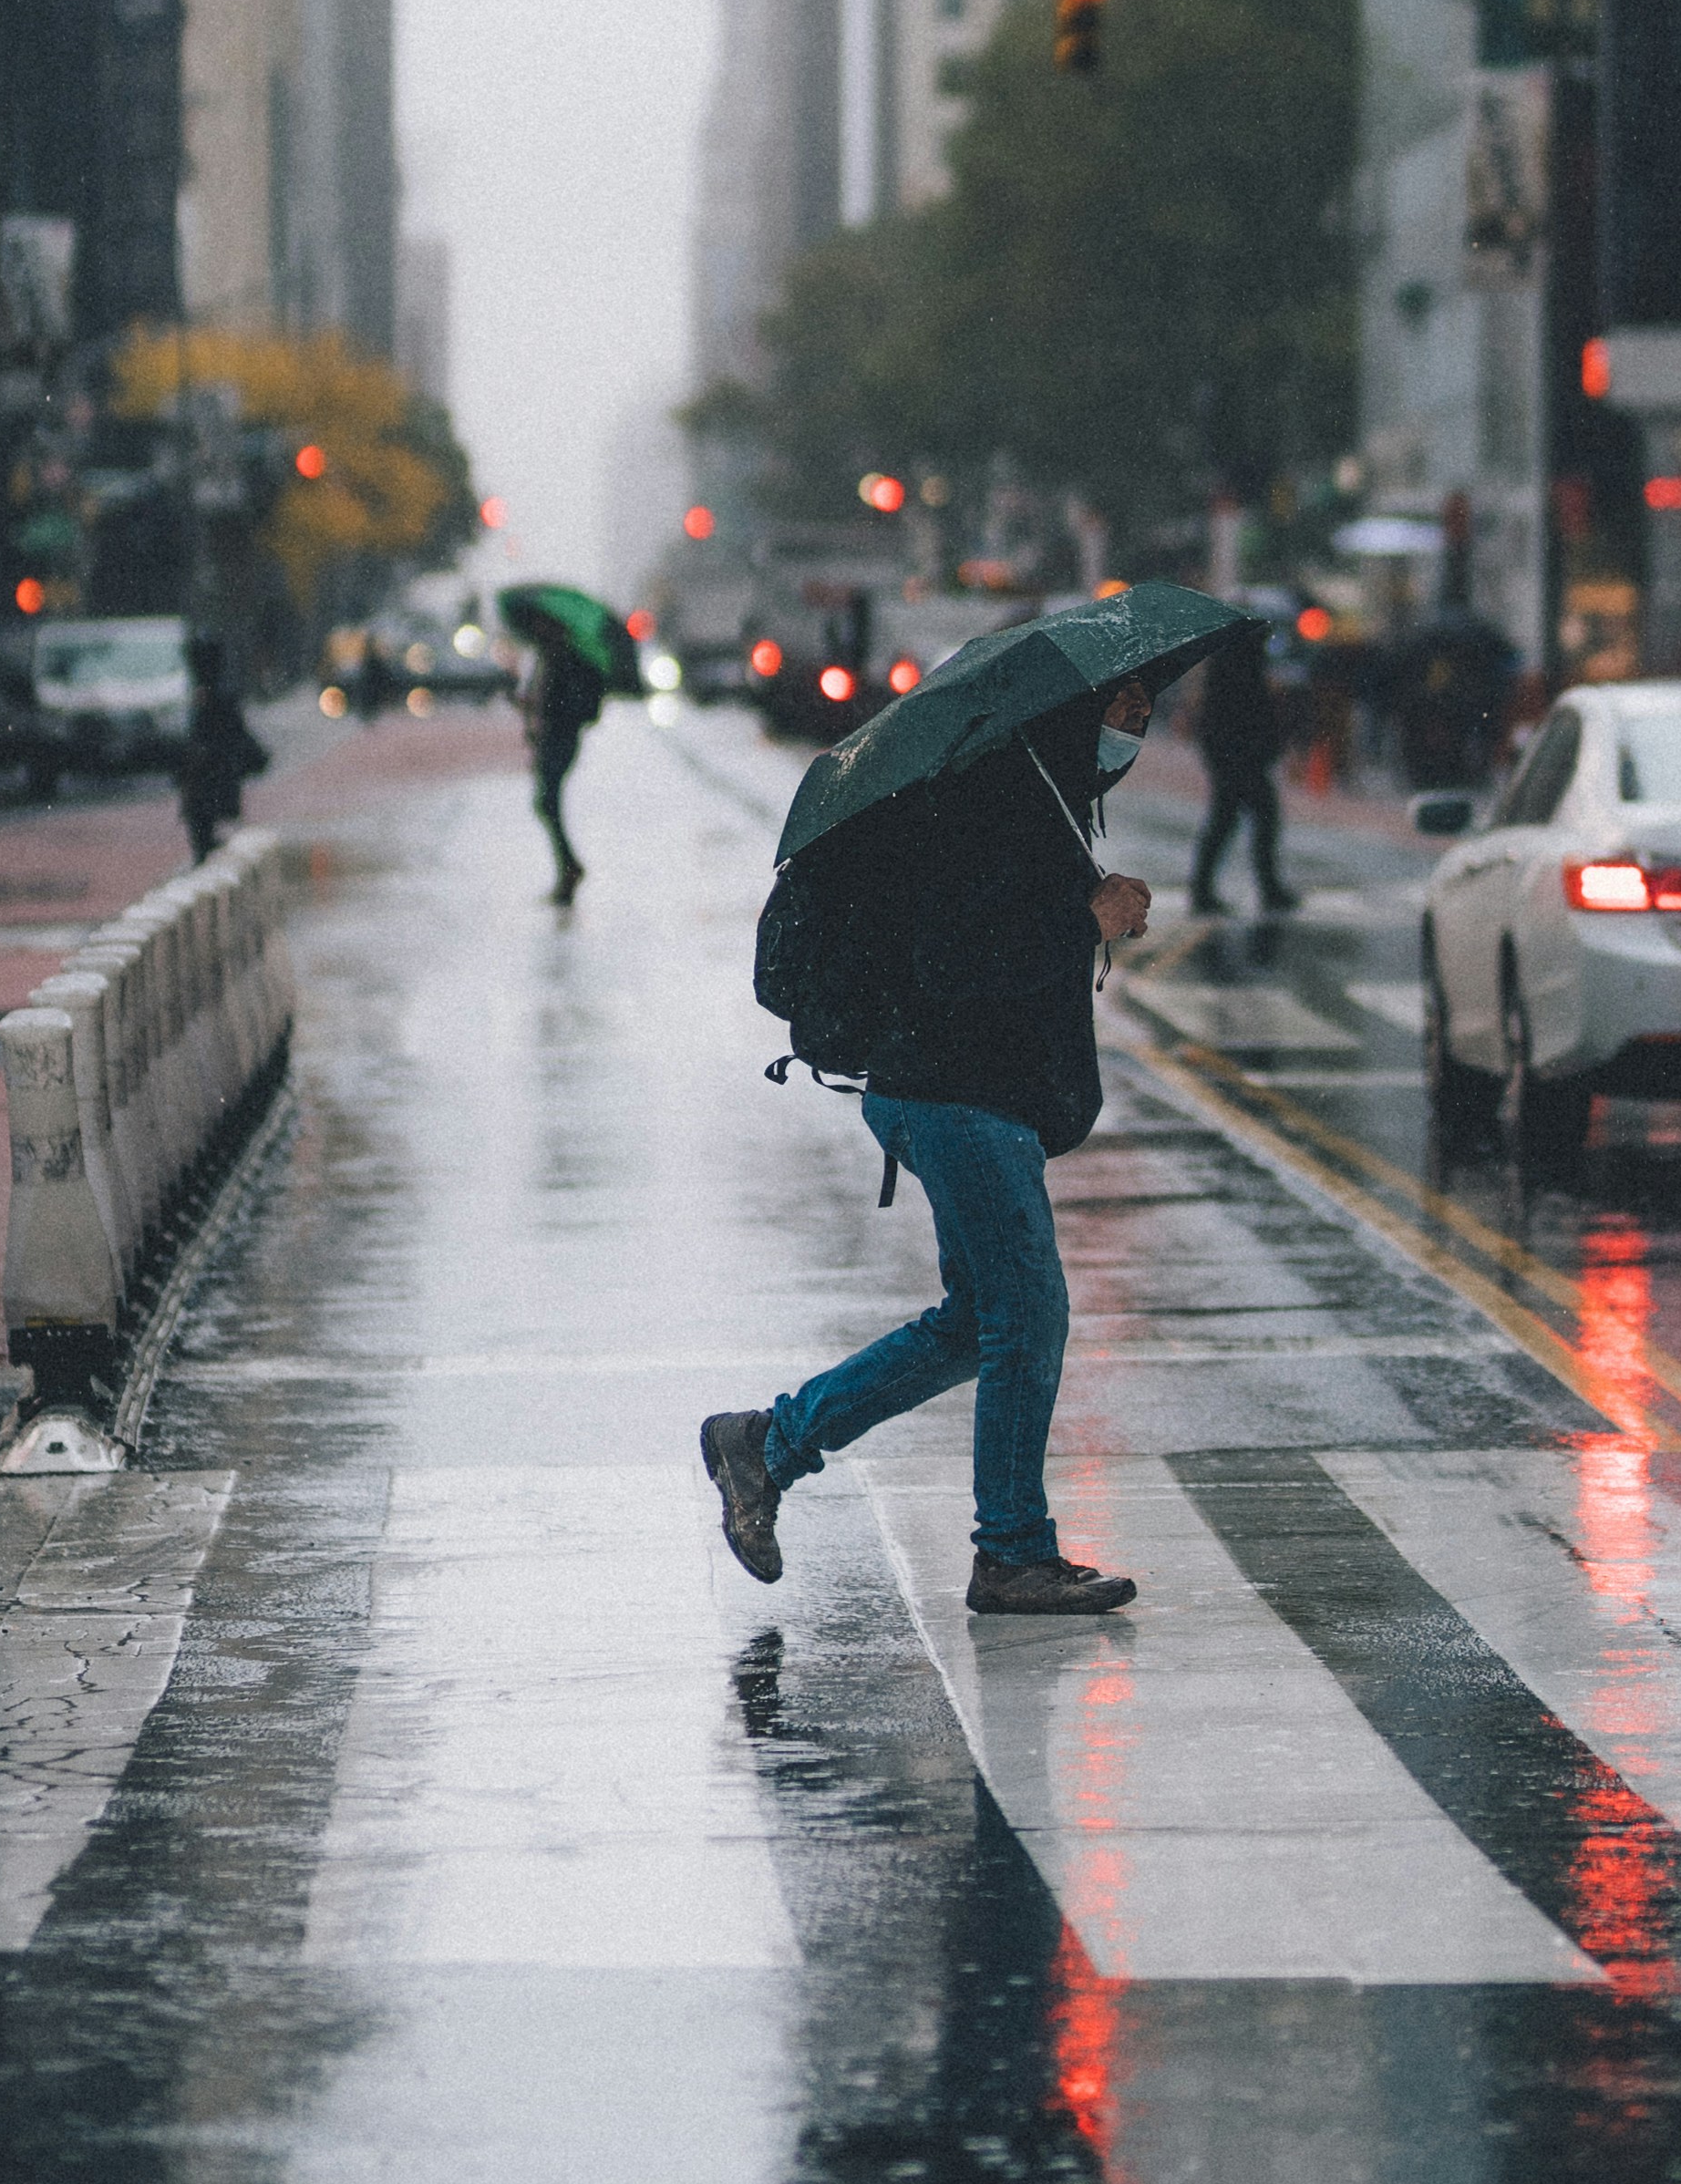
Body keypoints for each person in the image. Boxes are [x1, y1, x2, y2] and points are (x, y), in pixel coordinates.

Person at [701, 671, 1159, 1618]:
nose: (1138, 725)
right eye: (1125, 707)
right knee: (1027, 1315)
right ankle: (1011, 1553)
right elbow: (957, 961)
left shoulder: (1039, 800)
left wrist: (1088, 904)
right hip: (956, 1092)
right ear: (1074, 713)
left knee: (973, 1323)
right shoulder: (990, 806)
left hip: (973, 1092)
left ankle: (765, 1444)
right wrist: (1085, 919)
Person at [1188, 620, 1295, 916]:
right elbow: (1251, 715)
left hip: (1235, 757)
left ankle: (1206, 889)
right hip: (1240, 758)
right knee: (1245, 820)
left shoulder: (1229, 665)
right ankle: (1261, 888)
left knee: (1231, 820)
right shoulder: (1241, 669)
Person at [523, 622, 603, 899]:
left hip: (562, 737)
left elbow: (563, 701)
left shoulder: (565, 659)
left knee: (546, 801)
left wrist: (547, 708)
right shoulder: (549, 657)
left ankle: (568, 869)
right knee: (546, 802)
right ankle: (568, 866)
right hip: (553, 736)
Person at [179, 632, 268, 867]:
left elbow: (227, 730)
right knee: (202, 820)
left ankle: (206, 853)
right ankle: (206, 852)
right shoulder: (210, 693)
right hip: (210, 770)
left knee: (202, 819)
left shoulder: (211, 695)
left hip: (209, 770)